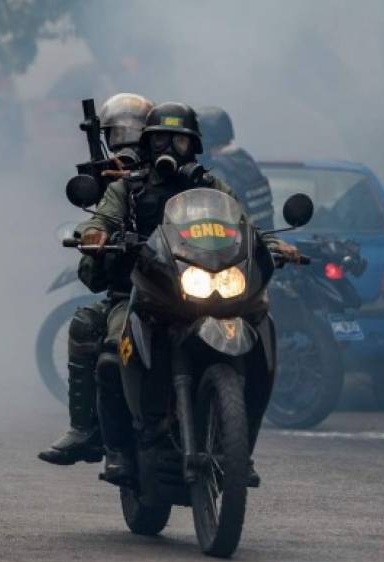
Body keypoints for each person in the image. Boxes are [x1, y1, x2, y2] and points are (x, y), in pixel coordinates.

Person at [71, 102, 298, 486]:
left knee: (263, 333)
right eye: (160, 138)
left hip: (203, 289)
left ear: (193, 147)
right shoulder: (127, 188)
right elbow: (102, 219)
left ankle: (241, 450)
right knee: (113, 349)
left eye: (179, 140)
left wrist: (272, 244)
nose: (169, 148)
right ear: (147, 142)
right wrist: (96, 235)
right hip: (144, 293)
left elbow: (245, 225)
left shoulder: (211, 187)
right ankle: (119, 452)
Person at [38, 93, 154, 466]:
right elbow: (95, 237)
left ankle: (237, 444)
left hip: (183, 285)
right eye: (118, 133)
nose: (127, 141)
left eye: (135, 132)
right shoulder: (113, 186)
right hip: (133, 289)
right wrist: (98, 235)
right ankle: (87, 429)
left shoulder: (182, 177)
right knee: (91, 325)